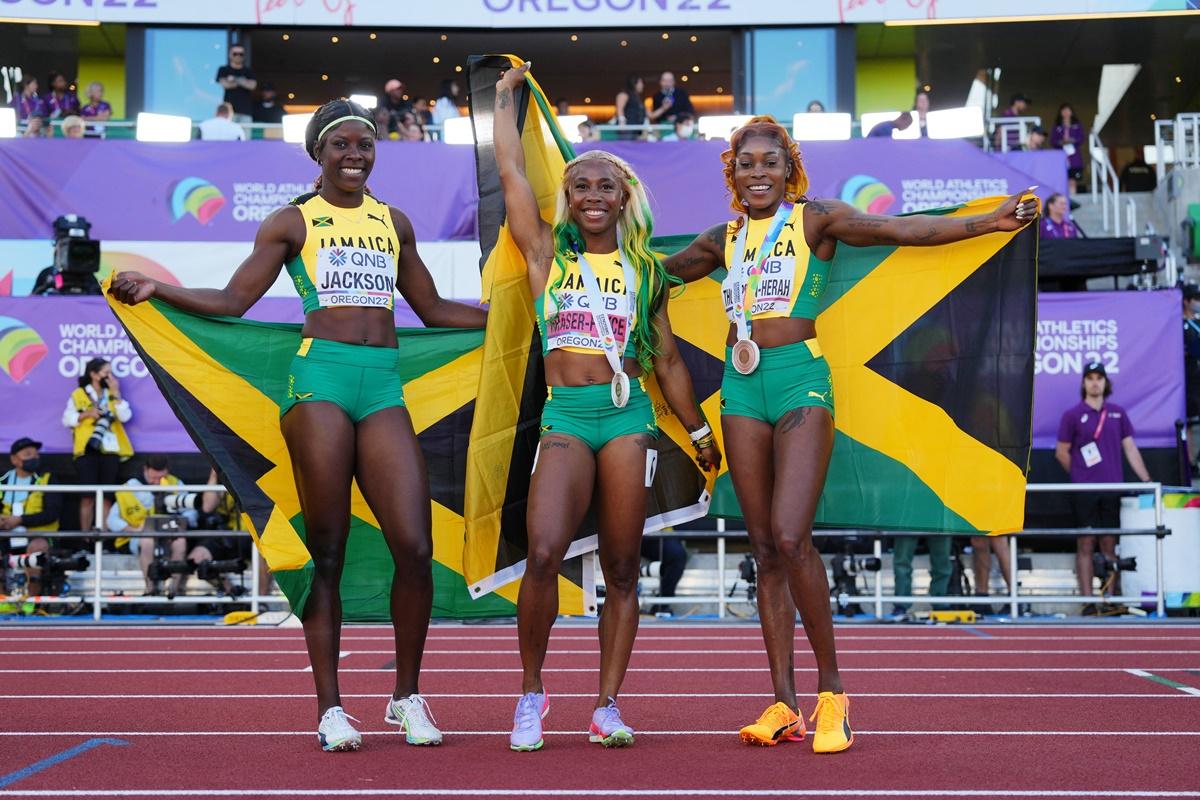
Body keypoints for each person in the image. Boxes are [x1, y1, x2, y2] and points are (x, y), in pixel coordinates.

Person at [110, 98, 486, 752]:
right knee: (330, 551)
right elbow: (232, 300)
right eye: (340, 144)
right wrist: (158, 288)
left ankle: (406, 695)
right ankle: (331, 706)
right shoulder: (293, 221)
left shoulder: (393, 222)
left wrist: (516, 322)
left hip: (383, 384)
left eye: (363, 145)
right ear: (318, 152)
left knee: (416, 547)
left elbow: (429, 307)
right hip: (320, 384)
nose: (354, 155)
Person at [664, 115, 1038, 753]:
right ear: (733, 172)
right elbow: (650, 282)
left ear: (789, 169)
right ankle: (783, 702)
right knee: (762, 547)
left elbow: (906, 230)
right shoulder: (719, 239)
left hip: (800, 383)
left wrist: (987, 223)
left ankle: (832, 691)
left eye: (769, 163)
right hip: (739, 388)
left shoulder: (817, 220)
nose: (758, 173)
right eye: (746, 164)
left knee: (790, 535)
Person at [493, 63, 720, 752]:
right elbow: (509, 172)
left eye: (606, 186)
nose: (593, 194)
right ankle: (531, 694)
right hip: (566, 416)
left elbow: (671, 360)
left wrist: (699, 429)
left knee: (623, 566)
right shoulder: (543, 253)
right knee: (543, 552)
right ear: (567, 197)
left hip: (629, 420)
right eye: (581, 185)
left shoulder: (648, 270)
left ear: (625, 199)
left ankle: (607, 705)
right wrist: (507, 101)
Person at [1055, 361, 1151, 611]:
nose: (1095, 382)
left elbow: (1130, 448)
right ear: (1083, 382)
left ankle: (1108, 598)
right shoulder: (1072, 415)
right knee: (1085, 542)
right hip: (1083, 491)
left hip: (1111, 488)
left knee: (1109, 543)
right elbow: (1062, 452)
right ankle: (1088, 601)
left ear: (1106, 382)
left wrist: (1147, 481)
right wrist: (1079, 476)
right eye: (1090, 377)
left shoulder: (1118, 413)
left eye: (1099, 377)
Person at [62, 358, 132, 532]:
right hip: (87, 450)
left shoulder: (112, 394)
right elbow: (66, 419)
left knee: (107, 497)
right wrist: (86, 414)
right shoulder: (79, 394)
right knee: (88, 496)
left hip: (110, 450)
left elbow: (125, 416)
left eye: (111, 373)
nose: (110, 377)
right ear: (93, 374)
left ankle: (103, 539)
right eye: (106, 373)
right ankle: (85, 539)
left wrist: (116, 393)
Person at [106, 454, 188, 597]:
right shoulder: (129, 487)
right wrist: (134, 530)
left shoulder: (176, 484)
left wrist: (182, 523)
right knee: (147, 541)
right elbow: (111, 520)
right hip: (139, 536)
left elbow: (191, 513)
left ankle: (173, 590)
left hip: (169, 534)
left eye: (160, 478)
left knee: (180, 542)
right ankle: (150, 589)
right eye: (153, 478)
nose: (156, 483)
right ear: (145, 469)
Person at [0, 437, 60, 597]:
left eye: (36, 454)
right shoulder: (3, 481)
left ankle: (32, 601)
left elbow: (52, 513)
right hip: (5, 537)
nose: (34, 458)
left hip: (38, 536)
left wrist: (20, 520)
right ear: (14, 459)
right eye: (28, 454)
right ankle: (2, 602)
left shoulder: (47, 479)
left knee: (37, 548)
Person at [890, 534, 951, 619]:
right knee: (902, 564)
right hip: (907, 522)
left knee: (942, 563)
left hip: (939, 522)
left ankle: (940, 604)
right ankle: (901, 605)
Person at [1050, 103, 1086, 195]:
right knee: (1062, 180)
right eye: (1064, 110)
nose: (1066, 112)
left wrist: (1072, 140)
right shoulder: (1057, 126)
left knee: (1073, 180)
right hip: (1061, 156)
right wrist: (1061, 142)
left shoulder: (1077, 125)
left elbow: (1082, 138)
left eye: (1068, 110)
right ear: (1060, 113)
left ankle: (1073, 198)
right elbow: (1052, 141)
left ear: (1071, 112)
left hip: (1074, 157)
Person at [216, 44, 257, 123]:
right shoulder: (223, 69)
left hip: (246, 112)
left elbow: (252, 86)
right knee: (228, 135)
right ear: (230, 54)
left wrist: (234, 79)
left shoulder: (248, 71)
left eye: (241, 54)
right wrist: (243, 81)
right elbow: (225, 84)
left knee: (245, 135)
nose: (238, 56)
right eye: (235, 54)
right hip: (228, 112)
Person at [1182, 285, 1200, 467]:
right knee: (1188, 422)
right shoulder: (1179, 325)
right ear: (1186, 301)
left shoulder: (1198, 323)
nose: (1198, 302)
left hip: (1197, 378)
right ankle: (1190, 460)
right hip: (1187, 381)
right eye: (1195, 299)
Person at [614, 75, 647, 140]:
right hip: (627, 130)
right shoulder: (624, 94)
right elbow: (620, 108)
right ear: (634, 83)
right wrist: (622, 122)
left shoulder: (638, 99)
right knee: (625, 147)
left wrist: (663, 108)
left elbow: (651, 115)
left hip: (636, 130)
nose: (642, 85)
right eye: (640, 83)